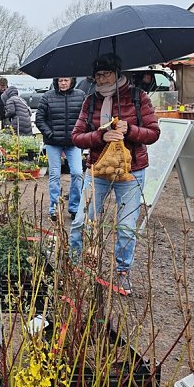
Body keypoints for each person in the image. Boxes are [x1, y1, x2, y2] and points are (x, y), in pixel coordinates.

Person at [69, 54, 161, 295]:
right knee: (82, 220)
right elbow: (77, 137)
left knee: (125, 226)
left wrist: (129, 129)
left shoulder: (139, 98)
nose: (101, 79)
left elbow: (153, 134)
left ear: (118, 73)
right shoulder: (90, 102)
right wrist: (100, 136)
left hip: (131, 171)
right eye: (97, 75)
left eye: (106, 74)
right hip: (98, 168)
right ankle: (76, 265)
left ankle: (123, 272)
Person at [35, 77, 85, 221]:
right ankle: (54, 208)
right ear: (56, 81)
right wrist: (50, 133)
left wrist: (81, 133)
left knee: (77, 173)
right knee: (55, 175)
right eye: (60, 80)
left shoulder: (80, 96)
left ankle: (74, 207)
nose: (63, 83)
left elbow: (85, 117)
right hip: (53, 142)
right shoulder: (47, 97)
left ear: (71, 81)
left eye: (66, 80)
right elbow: (40, 119)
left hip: (73, 142)